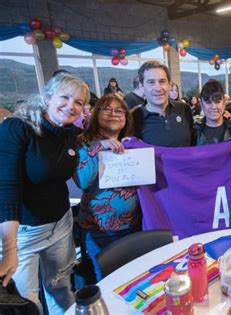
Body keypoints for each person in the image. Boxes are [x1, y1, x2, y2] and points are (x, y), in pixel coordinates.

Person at [0, 73, 90, 313]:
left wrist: (105, 144)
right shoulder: (18, 127)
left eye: (79, 102)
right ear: (48, 97)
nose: (71, 105)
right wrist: (8, 250)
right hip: (23, 234)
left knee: (61, 289)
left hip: (61, 225)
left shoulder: (69, 133)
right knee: (25, 301)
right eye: (65, 97)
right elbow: (6, 186)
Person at [74, 95, 140, 281]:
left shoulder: (131, 143)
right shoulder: (84, 142)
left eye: (119, 110)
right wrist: (101, 147)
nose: (114, 114)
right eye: (106, 109)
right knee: (109, 279)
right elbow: (82, 180)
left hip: (133, 226)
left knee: (133, 277)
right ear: (97, 113)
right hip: (100, 230)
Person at [132, 60, 194, 147]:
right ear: (142, 87)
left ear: (169, 85)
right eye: (151, 82)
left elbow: (193, 145)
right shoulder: (134, 117)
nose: (158, 88)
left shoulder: (184, 109)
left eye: (162, 81)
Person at [194, 80, 231, 147]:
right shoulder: (194, 130)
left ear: (224, 103)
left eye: (217, 102)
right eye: (208, 102)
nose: (213, 107)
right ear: (201, 105)